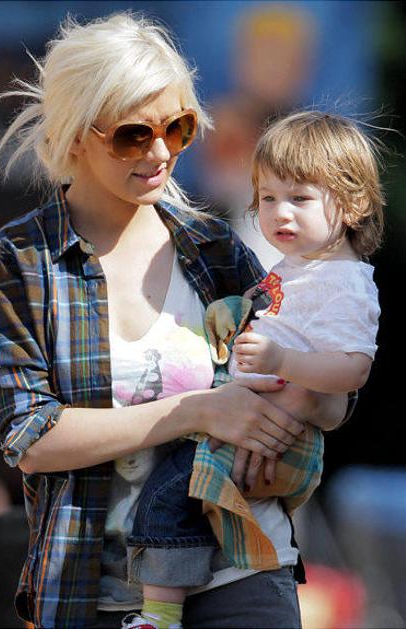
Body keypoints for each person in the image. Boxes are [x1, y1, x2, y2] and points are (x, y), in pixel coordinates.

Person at [0, 13, 349, 629]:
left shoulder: (214, 247)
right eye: (132, 135)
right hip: (90, 591)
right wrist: (197, 411)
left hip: (243, 570)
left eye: (178, 127)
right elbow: (31, 439)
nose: (161, 151)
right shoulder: (18, 260)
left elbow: (326, 395)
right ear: (74, 137)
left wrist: (302, 406)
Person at [122, 111, 382, 629]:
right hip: (249, 423)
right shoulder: (299, 267)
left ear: (353, 203)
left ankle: (160, 615)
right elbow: (275, 317)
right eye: (267, 198)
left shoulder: (345, 281)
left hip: (273, 435)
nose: (280, 213)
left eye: (300, 198)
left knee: (168, 496)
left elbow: (353, 370)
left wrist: (282, 363)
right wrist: (235, 309)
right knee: (183, 497)